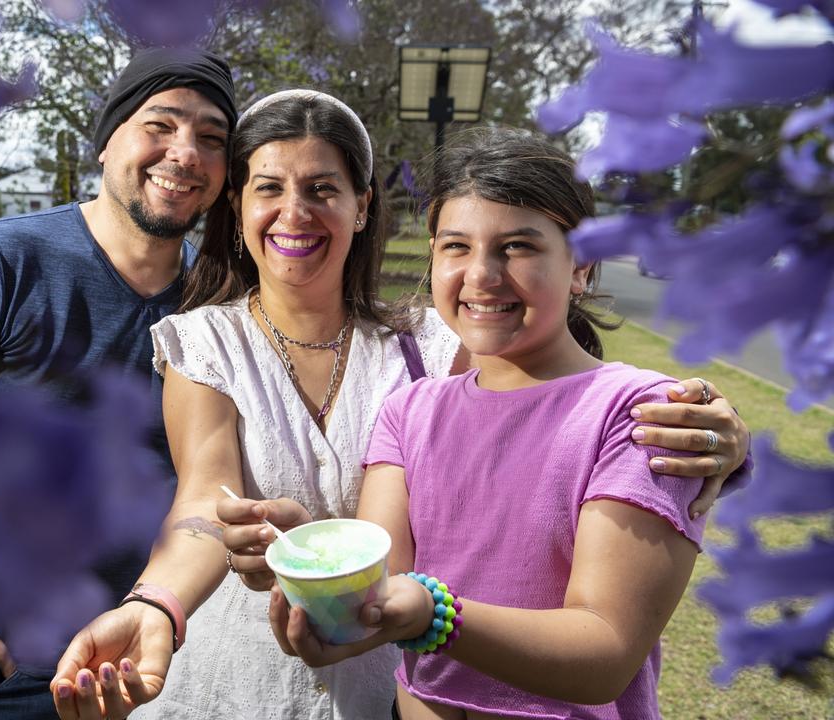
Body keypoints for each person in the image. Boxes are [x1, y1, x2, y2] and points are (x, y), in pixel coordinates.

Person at [49, 91, 750, 720]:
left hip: (377, 688)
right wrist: (157, 604)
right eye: (269, 188)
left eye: (324, 188)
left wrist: (722, 434)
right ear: (237, 207)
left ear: (363, 206)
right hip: (243, 680)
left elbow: (549, 404)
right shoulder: (212, 343)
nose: (295, 211)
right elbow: (204, 501)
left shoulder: (435, 345)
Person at [266, 126, 724, 718]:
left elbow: (605, 655)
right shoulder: (409, 412)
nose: (481, 275)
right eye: (456, 246)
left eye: (518, 246)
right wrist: (323, 577)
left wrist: (436, 615)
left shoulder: (638, 415)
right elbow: (383, 592)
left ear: (581, 266)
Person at [0, 47, 236, 720]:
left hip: (162, 668)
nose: (186, 153)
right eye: (160, 125)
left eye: (212, 139)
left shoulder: (216, 299)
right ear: (106, 144)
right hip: (10, 669)